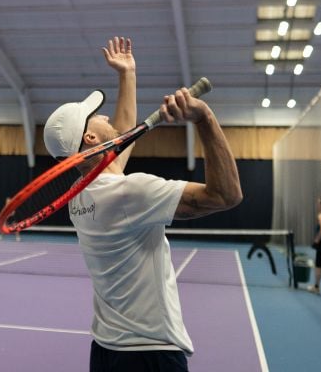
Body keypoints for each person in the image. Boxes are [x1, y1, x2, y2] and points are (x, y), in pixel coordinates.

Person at [43, 36, 242, 372]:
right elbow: (226, 195)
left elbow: (118, 137)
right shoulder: (129, 193)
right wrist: (205, 118)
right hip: (149, 354)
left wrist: (128, 75)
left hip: (106, 349)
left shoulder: (80, 194)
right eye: (96, 117)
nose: (105, 116)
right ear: (90, 138)